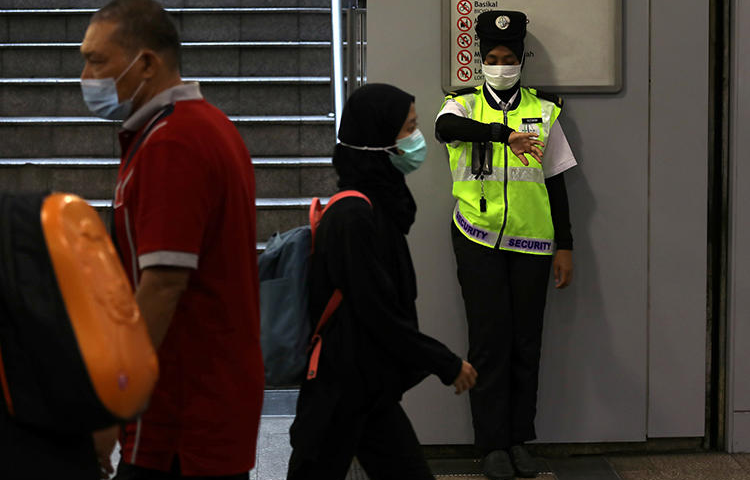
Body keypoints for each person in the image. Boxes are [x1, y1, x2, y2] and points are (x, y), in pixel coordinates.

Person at [79, 1, 264, 478]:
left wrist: (112, 410)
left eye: (97, 60)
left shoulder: (173, 144)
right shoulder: (199, 128)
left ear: (146, 63)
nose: (86, 75)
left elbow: (162, 285)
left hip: (180, 417)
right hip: (202, 406)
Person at [286, 83, 478, 480]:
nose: (416, 139)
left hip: (367, 387)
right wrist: (444, 361)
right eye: (407, 129)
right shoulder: (353, 216)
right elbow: (377, 310)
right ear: (377, 138)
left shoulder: (378, 207)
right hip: (339, 390)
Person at [435, 10, 577, 480]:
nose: (501, 65)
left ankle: (519, 440)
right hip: (477, 237)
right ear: (481, 60)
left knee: (525, 343)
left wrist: (565, 245)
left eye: (509, 57)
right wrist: (502, 134)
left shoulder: (544, 110)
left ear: (521, 60)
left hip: (533, 243)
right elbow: (446, 131)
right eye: (493, 58)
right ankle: (491, 444)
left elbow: (556, 184)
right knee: (489, 342)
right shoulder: (462, 105)